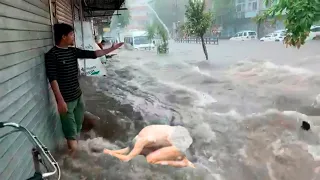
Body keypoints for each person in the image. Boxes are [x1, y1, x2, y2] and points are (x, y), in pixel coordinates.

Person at [45, 23, 123, 157]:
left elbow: (93, 54)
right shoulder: (52, 55)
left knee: (77, 128)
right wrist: (60, 101)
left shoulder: (72, 51)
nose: (73, 37)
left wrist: (110, 49)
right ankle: (74, 161)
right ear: (63, 37)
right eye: (71, 34)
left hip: (78, 96)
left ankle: (79, 157)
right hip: (66, 102)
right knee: (70, 133)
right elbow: (53, 79)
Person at [103, 125, 196, 168]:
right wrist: (109, 151)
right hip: (177, 132)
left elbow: (126, 158)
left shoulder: (143, 141)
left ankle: (184, 162)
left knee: (150, 159)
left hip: (177, 138)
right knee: (147, 153)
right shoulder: (140, 138)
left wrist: (110, 153)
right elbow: (127, 150)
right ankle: (184, 160)